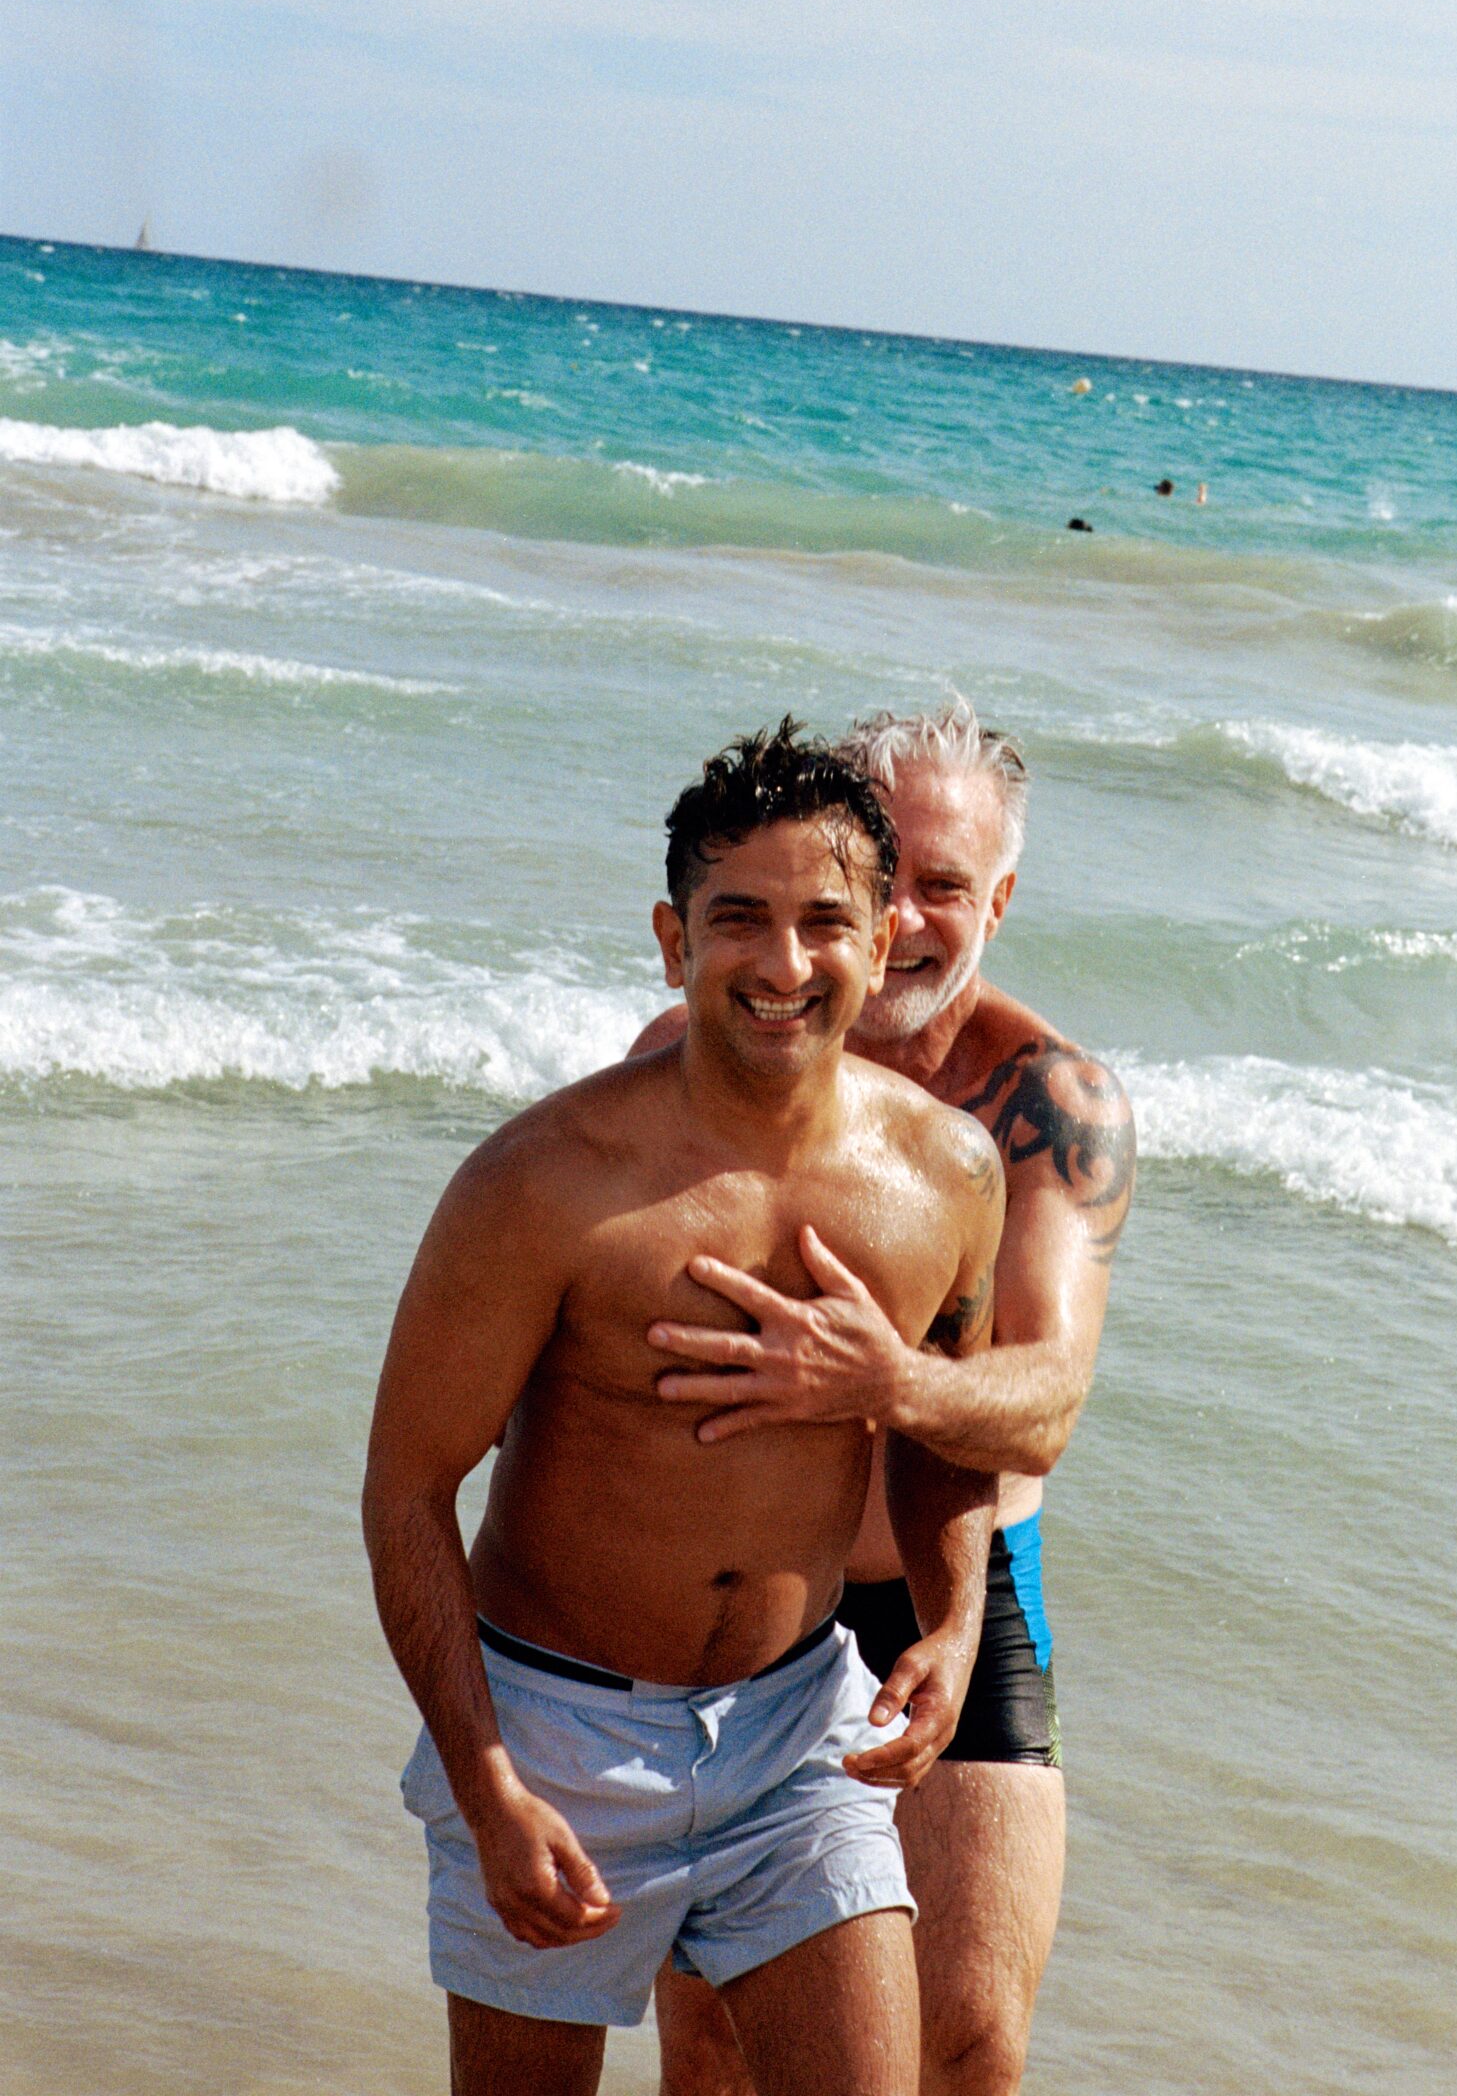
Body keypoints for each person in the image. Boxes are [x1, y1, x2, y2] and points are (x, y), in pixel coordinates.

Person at [364, 721, 1004, 2096]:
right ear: (673, 940)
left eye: (825, 922)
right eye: (739, 922)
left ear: (883, 939)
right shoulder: (545, 1182)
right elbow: (407, 1494)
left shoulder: (947, 1176)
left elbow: (944, 1436)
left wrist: (953, 1626)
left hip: (796, 1736)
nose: (784, 966)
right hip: (554, 1734)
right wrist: (488, 1785)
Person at [637, 703, 1135, 2096]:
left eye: (949, 887)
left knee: (968, 2040)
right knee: (719, 2048)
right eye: (888, 873)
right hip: (748, 1598)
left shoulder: (1046, 1102)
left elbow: (1044, 1401)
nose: (912, 918)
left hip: (958, 1596)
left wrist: (886, 1379)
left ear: (1004, 900)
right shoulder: (712, 1047)